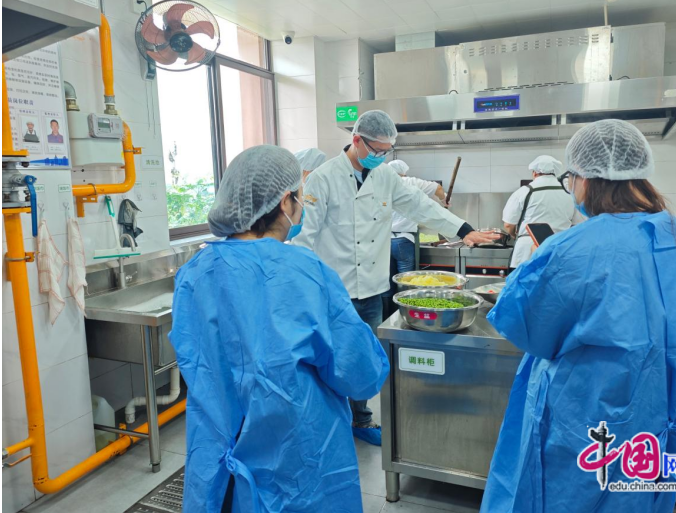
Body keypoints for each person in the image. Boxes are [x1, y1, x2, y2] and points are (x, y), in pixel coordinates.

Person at [480, 119, 676, 513]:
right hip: (656, 427)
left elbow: (525, 326)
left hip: (583, 425)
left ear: (586, 179)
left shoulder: (570, 249)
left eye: (572, 178)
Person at [170, 145, 390, 513]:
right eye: (301, 196)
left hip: (217, 458)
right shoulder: (305, 272)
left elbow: (198, 361)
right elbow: (361, 373)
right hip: (297, 463)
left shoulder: (194, 274)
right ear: (286, 201)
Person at [292, 110, 500, 445]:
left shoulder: (385, 177)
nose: (380, 156)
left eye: (386, 151)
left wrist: (464, 229)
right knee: (332, 358)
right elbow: (306, 236)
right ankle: (330, 424)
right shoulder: (323, 178)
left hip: (372, 289)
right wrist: (301, 284)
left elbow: (420, 205)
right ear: (356, 140)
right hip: (336, 290)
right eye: (376, 150)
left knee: (364, 359)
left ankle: (361, 420)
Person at [383, 159, 446, 316]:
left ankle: (387, 318)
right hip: (404, 240)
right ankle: (404, 315)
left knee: (387, 284)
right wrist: (444, 200)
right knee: (407, 284)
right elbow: (437, 188)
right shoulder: (409, 181)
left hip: (384, 241)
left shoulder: (382, 184)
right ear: (404, 172)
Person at [502, 155, 580, 269]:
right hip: (559, 249)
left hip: (526, 251)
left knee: (525, 280)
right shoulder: (570, 194)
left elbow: (508, 225)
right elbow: (578, 224)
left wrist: (515, 235)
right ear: (555, 173)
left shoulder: (523, 192)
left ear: (534, 173)